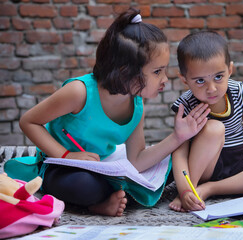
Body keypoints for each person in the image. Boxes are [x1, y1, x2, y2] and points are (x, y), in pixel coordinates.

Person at [19, 8, 210, 217]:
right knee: (84, 185)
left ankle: (110, 197)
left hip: (104, 168)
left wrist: (177, 137)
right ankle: (97, 204)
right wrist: (67, 155)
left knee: (173, 165)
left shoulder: (136, 105)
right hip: (63, 167)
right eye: (157, 71)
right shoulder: (79, 92)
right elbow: (29, 122)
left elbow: (136, 161)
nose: (165, 79)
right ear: (125, 71)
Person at [169, 31, 243, 212]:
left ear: (230, 70)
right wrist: (183, 191)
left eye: (218, 77)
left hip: (237, 165)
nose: (211, 88)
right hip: (207, 168)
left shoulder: (240, 92)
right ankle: (193, 188)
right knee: (214, 128)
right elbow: (179, 153)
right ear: (184, 79)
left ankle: (209, 189)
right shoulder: (187, 104)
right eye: (200, 81)